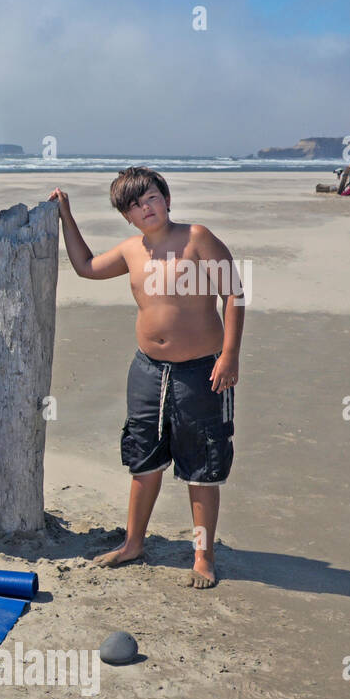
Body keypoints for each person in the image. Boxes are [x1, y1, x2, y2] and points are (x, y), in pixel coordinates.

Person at [48, 167, 245, 589]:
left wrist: (229, 355)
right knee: (143, 459)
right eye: (135, 205)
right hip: (147, 371)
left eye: (152, 198)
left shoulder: (197, 238)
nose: (146, 208)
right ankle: (133, 542)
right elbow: (85, 266)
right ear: (127, 217)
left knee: (202, 465)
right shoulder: (130, 251)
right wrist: (66, 215)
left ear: (167, 199)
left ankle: (203, 555)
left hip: (202, 370)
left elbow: (234, 293)